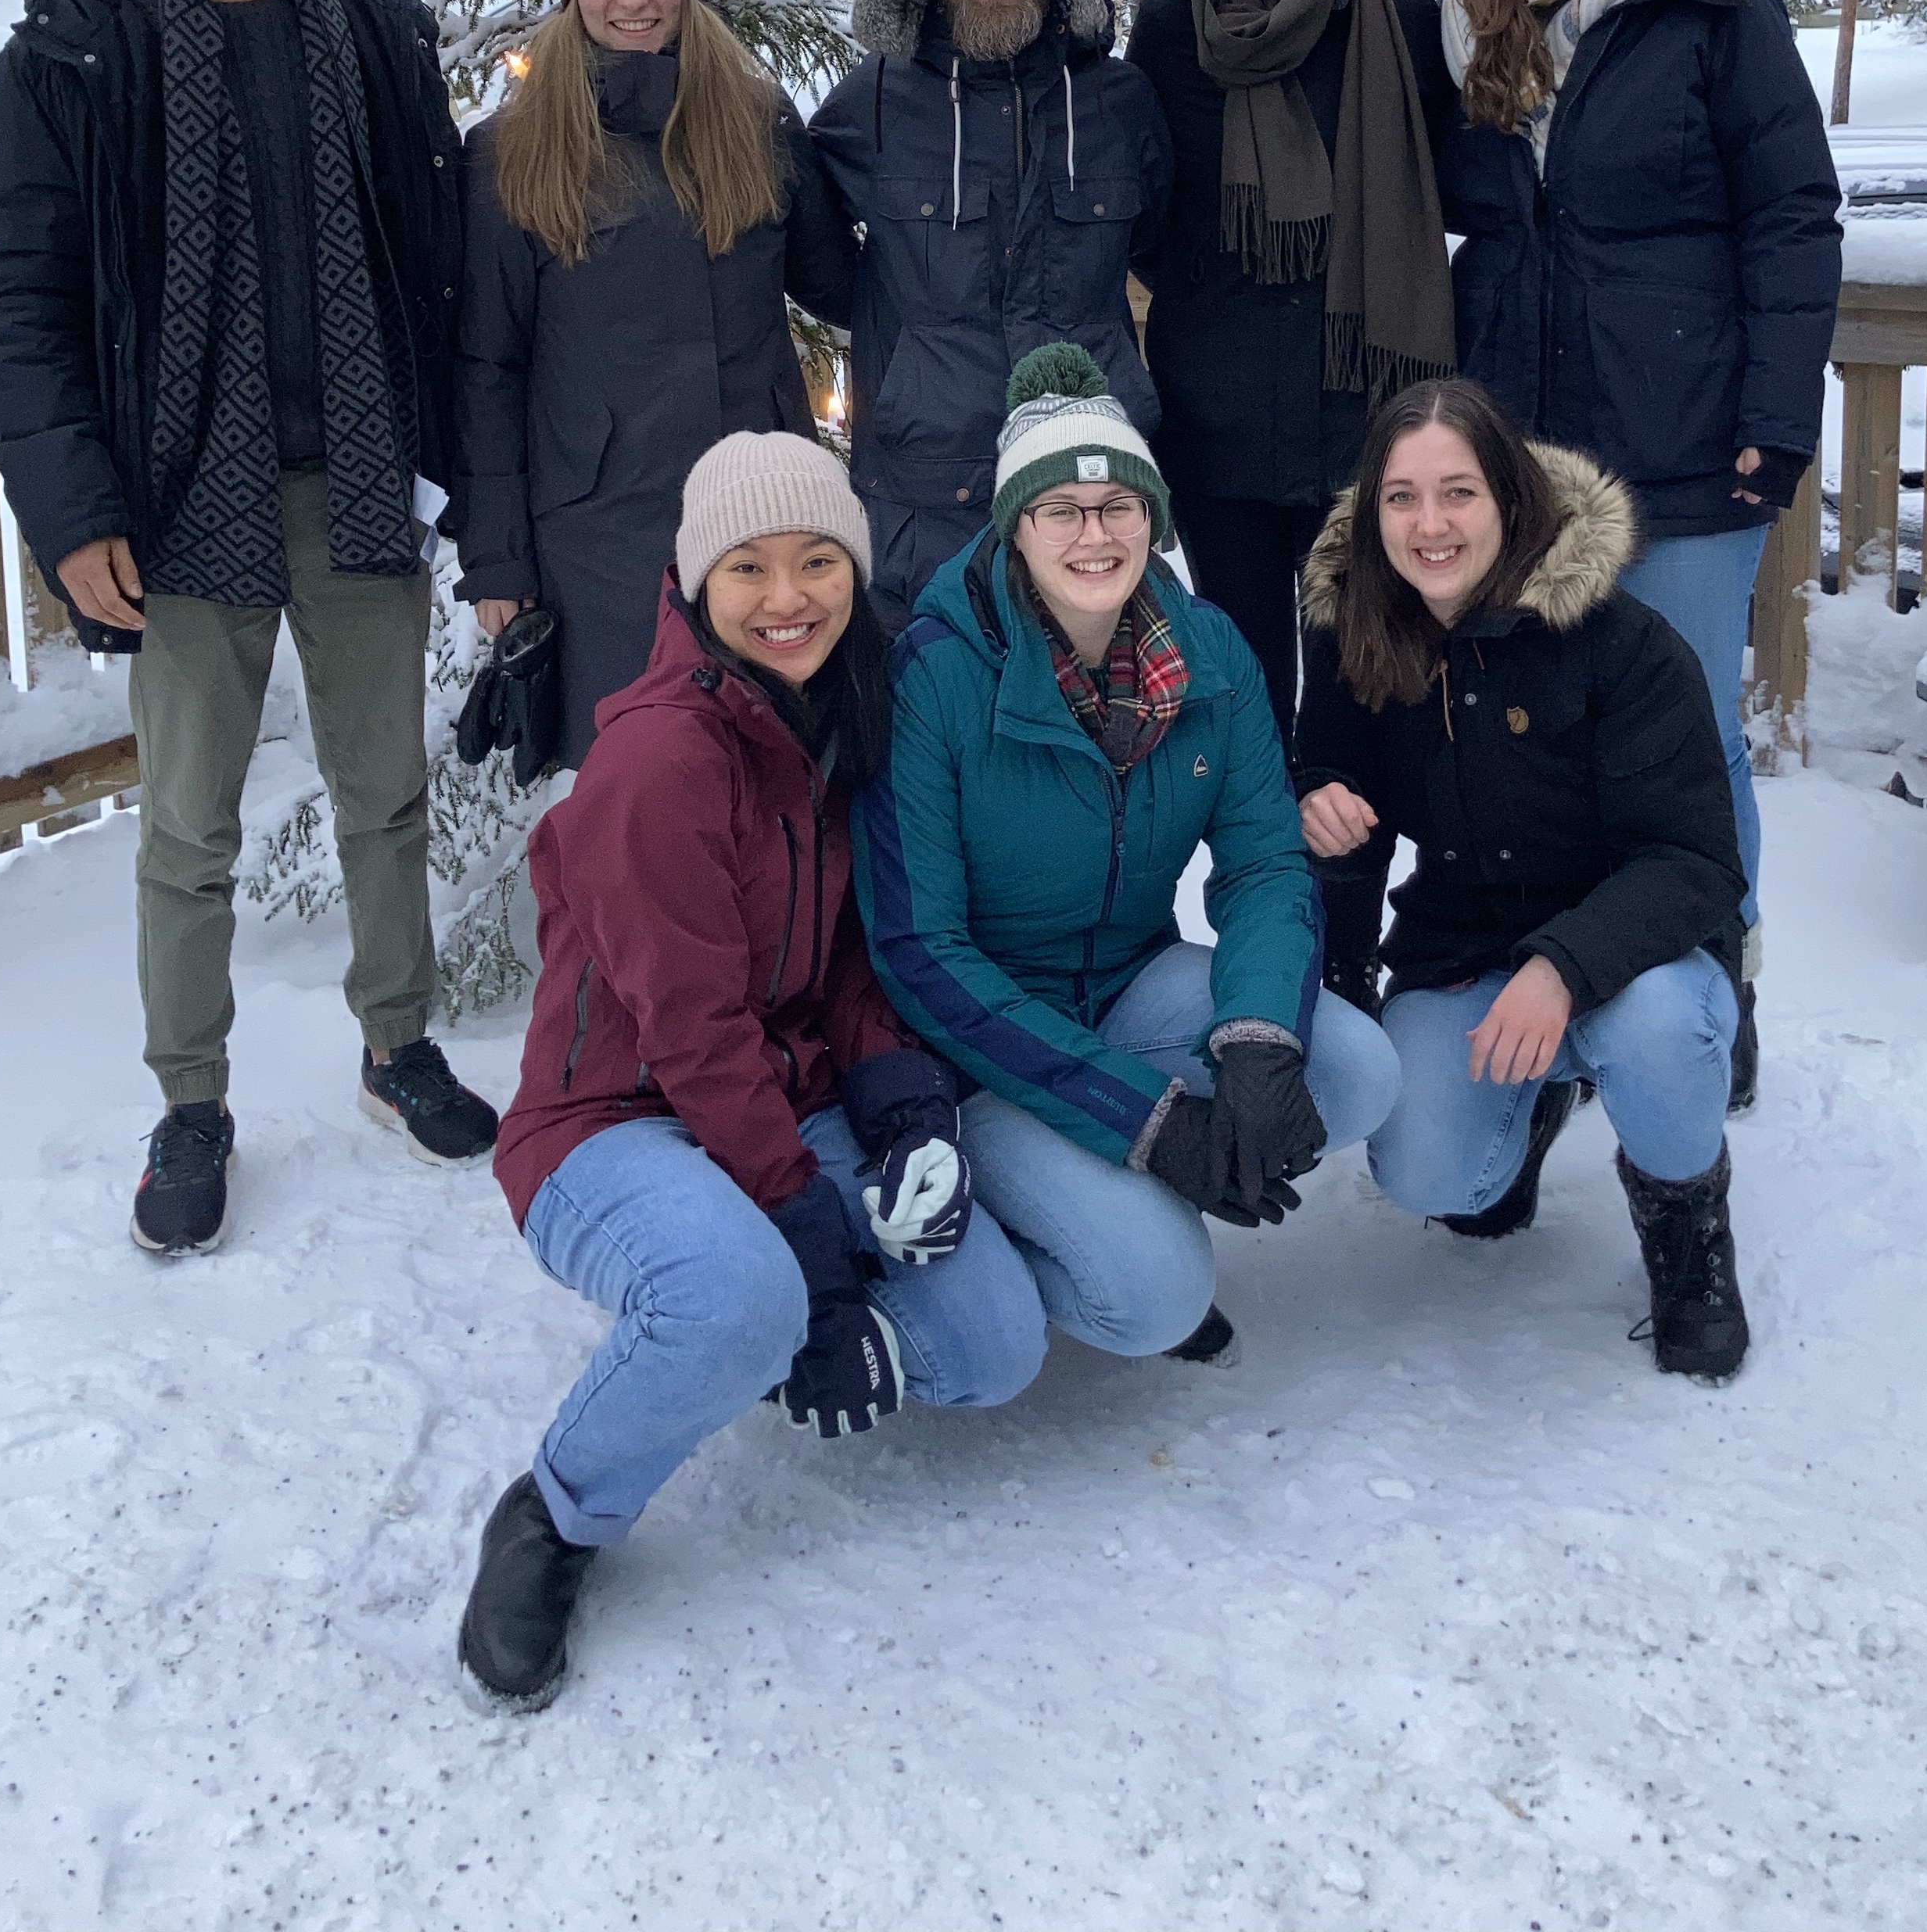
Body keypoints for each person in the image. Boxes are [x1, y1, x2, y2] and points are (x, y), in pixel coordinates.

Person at [0, 0, 495, 1259]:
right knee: (188, 826)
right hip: (181, 497)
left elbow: (434, 252)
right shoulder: (81, 52)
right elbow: (24, 297)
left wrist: (468, 469)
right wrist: (72, 515)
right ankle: (192, 1099)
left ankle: (399, 1049)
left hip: (360, 482)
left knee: (382, 795)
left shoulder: (374, 27)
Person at [461, 432, 1046, 1706]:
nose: (787, 596)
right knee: (744, 1293)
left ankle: (764, 1337)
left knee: (995, 1339)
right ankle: (555, 1511)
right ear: (694, 582)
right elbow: (690, 1026)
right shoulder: (658, 762)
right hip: (607, 1125)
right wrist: (808, 1254)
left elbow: (850, 963)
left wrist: (897, 1114)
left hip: (781, 1096)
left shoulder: (834, 712)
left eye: (814, 561)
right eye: (749, 567)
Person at [1434, 0, 1841, 1102]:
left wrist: (1774, 420)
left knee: (1688, 733)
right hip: (1523, 446)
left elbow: (1790, 218)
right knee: (1543, 728)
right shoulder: (1475, 11)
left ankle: (1709, 991)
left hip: (1679, 439)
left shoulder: (1711, 2)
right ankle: (1570, 981)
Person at [856, 346, 1403, 1366]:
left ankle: (1108, 1179)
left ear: (1153, 517)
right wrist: (1154, 1126)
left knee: (1353, 1067)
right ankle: (1034, 1230)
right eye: (1058, 508)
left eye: (1117, 504)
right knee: (1153, 1299)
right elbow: (920, 952)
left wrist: (1255, 1050)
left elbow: (1264, 868)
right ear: (1016, 527)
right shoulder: (935, 674)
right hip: (977, 1054)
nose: (1093, 532)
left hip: (1125, 979)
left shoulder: (1208, 652)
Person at [1294, 378, 1751, 1380]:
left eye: (1458, 492)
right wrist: (1321, 803)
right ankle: (1531, 1109)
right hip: (1467, 946)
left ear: (1508, 498)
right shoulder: (1356, 626)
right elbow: (1335, 782)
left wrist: (1563, 967)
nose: (1431, 524)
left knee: (1658, 1033)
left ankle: (1687, 1233)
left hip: (1641, 956)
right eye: (1402, 497)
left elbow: (1696, 859)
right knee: (1426, 1174)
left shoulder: (1621, 643)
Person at [1129, 0, 1452, 1010]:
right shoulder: (1169, 30)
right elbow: (1149, 205)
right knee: (1247, 703)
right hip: (1218, 423)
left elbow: (1451, 175)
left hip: (1366, 418)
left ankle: (1349, 950)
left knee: (1359, 693)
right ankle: (1272, 950)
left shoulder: (1400, 14)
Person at [453, 0, 858, 772]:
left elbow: (844, 287)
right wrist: (499, 561)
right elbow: (487, 368)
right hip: (596, 530)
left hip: (758, 516)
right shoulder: (511, 153)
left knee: (778, 768)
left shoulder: (758, 124)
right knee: (634, 788)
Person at [810, 0, 1172, 630]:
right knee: (932, 750)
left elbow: (1157, 244)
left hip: (1093, 495)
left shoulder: (1119, 101)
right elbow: (825, 272)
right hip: (923, 508)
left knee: (1097, 746)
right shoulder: (869, 104)